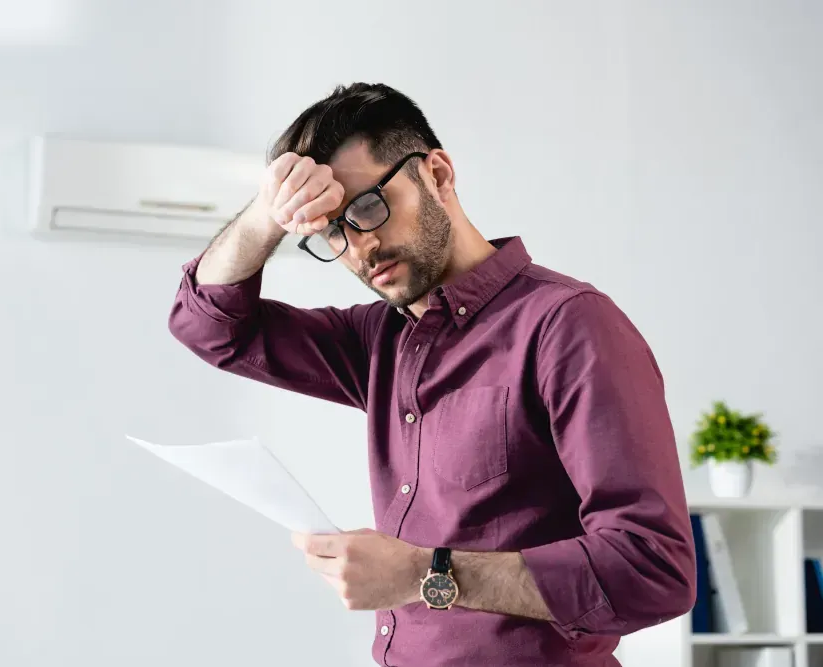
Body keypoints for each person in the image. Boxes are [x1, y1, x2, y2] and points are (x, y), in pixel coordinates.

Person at [168, 82, 696, 667]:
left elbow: (654, 569)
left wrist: (429, 573)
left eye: (368, 206)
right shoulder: (378, 340)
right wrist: (267, 217)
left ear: (438, 175)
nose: (360, 246)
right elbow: (211, 328)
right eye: (332, 232)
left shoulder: (568, 326)